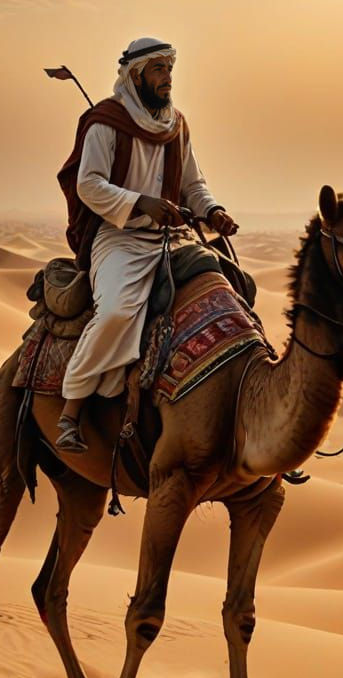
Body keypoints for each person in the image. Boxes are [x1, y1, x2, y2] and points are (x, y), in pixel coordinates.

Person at [55, 36, 238, 452]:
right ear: (135, 75)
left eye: (170, 69)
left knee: (234, 294)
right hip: (120, 239)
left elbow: (194, 184)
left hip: (174, 239)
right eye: (158, 70)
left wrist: (212, 212)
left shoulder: (177, 125)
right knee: (118, 311)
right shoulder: (106, 122)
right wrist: (141, 203)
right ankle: (71, 410)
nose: (167, 77)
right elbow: (89, 184)